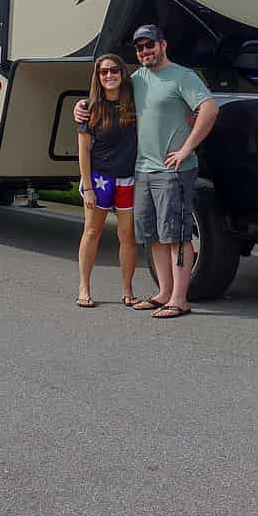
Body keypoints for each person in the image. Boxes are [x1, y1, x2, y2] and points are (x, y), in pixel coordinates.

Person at [75, 24, 219, 319]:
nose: (145, 51)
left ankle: (180, 299)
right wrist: (81, 107)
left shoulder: (182, 76)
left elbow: (209, 108)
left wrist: (187, 148)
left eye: (149, 45)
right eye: (140, 48)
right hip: (142, 170)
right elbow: (106, 93)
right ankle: (163, 293)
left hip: (173, 169)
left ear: (162, 45)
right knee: (153, 235)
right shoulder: (137, 79)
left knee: (177, 236)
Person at [75, 53, 141, 307]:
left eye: (114, 70)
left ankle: (128, 290)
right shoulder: (89, 108)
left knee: (128, 236)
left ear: (123, 73)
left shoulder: (134, 104)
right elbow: (83, 151)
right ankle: (84, 288)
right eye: (104, 72)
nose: (109, 75)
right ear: (98, 77)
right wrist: (88, 187)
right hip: (99, 179)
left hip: (127, 179)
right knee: (92, 232)